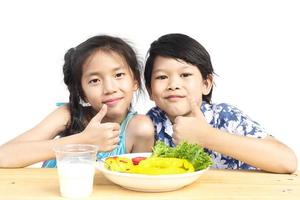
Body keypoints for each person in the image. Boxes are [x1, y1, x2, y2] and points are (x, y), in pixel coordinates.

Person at [144, 33, 297, 173]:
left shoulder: (224, 116)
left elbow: (287, 161)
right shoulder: (149, 124)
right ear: (150, 91)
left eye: (185, 74)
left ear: (206, 84)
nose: (174, 84)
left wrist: (206, 136)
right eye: (162, 77)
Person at [0, 35, 154, 168]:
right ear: (82, 93)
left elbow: (140, 181)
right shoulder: (68, 115)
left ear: (135, 81)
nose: (109, 88)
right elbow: (3, 156)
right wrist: (82, 141)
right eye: (94, 80)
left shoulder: (140, 128)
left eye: (119, 75)